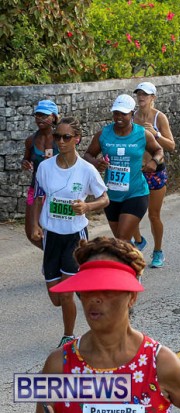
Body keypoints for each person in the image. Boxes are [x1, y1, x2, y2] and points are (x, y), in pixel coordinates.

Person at [37, 236, 180, 413]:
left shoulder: (159, 364)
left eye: (107, 289)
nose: (95, 298)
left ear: (132, 297)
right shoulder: (59, 365)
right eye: (87, 289)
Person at [31, 117, 109, 348]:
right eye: (57, 137)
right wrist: (35, 224)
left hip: (75, 236)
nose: (61, 141)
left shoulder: (87, 170)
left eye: (66, 137)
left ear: (77, 139)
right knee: (56, 298)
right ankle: (84, 288)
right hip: (51, 235)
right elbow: (38, 197)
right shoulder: (45, 167)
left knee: (66, 294)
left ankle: (68, 336)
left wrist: (87, 206)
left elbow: (104, 199)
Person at [84, 94, 164, 242]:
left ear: (132, 113)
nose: (119, 117)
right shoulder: (103, 134)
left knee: (122, 238)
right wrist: (96, 162)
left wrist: (154, 161)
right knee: (122, 241)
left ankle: (133, 252)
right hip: (111, 195)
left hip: (136, 193)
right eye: (116, 113)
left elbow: (159, 150)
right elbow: (88, 155)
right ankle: (134, 253)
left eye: (123, 113)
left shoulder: (142, 134)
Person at [131, 82, 175, 268]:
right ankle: (139, 240)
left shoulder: (159, 117)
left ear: (153, 98)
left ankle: (158, 251)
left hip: (155, 172)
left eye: (145, 94)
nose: (141, 97)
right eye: (139, 94)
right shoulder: (131, 116)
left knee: (153, 215)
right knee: (130, 212)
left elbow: (171, 145)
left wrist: (155, 134)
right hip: (136, 171)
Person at [22, 100, 59, 249]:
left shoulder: (61, 139)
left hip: (58, 190)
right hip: (36, 188)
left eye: (44, 115)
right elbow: (26, 159)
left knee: (56, 230)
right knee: (31, 231)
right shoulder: (31, 140)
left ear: (54, 117)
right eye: (37, 115)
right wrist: (25, 163)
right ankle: (52, 254)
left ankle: (57, 257)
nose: (40, 119)